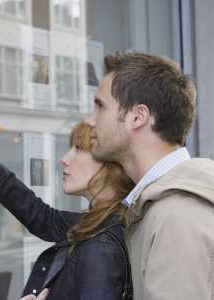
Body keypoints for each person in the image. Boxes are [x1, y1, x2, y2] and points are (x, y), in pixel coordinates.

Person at [0, 116, 134, 300]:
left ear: (110, 165)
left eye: (78, 149)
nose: (64, 159)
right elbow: (42, 217)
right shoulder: (100, 223)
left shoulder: (102, 245)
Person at [85, 52, 214, 299]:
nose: (90, 121)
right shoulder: (162, 205)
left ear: (138, 117)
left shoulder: (176, 217)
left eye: (100, 106)